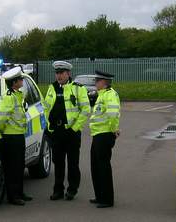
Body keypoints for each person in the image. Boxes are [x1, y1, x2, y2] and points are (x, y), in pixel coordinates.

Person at [44, 61, 90, 201]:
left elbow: (86, 109)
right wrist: (49, 127)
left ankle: (72, 190)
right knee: (58, 163)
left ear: (68, 73)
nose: (59, 76)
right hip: (56, 132)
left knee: (72, 163)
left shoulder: (78, 88)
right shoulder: (52, 88)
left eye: (61, 73)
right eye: (57, 73)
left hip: (71, 132)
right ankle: (58, 190)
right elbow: (46, 108)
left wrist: (74, 128)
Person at [0, 67, 33, 206]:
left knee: (19, 166)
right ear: (14, 83)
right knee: (12, 168)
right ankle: (13, 196)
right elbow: (3, 118)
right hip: (11, 137)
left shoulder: (17, 95)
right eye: (20, 79)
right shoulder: (8, 97)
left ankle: (20, 192)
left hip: (18, 136)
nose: (22, 80)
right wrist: (2, 130)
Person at [88, 70, 121, 208]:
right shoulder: (102, 95)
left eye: (97, 81)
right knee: (95, 167)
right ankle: (100, 195)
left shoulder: (110, 95)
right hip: (97, 135)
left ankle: (107, 199)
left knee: (103, 167)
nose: (95, 83)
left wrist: (114, 130)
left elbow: (113, 114)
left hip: (104, 135)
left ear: (104, 82)